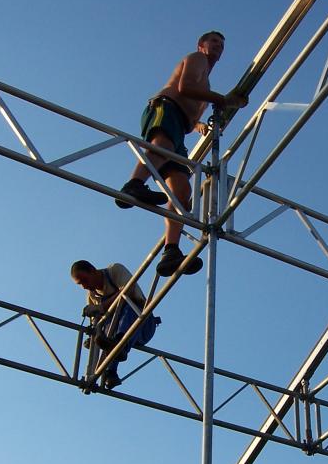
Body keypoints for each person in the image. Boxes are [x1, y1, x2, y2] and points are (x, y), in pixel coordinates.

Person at [115, 30, 248, 277]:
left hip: (179, 125)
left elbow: (191, 111)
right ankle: (133, 185)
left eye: (222, 45)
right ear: (201, 45)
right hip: (166, 109)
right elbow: (184, 87)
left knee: (182, 192)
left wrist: (198, 125)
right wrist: (224, 100)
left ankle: (171, 250)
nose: (218, 47)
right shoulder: (197, 59)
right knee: (161, 147)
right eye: (214, 41)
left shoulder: (206, 84)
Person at [71, 259, 160, 389]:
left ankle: (119, 346)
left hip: (142, 322)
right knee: (106, 325)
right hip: (117, 330)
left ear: (93, 271)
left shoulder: (114, 271)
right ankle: (110, 372)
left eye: (85, 280)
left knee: (126, 304)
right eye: (80, 284)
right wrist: (93, 336)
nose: (84, 286)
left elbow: (127, 291)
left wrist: (102, 307)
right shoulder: (92, 296)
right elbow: (97, 324)